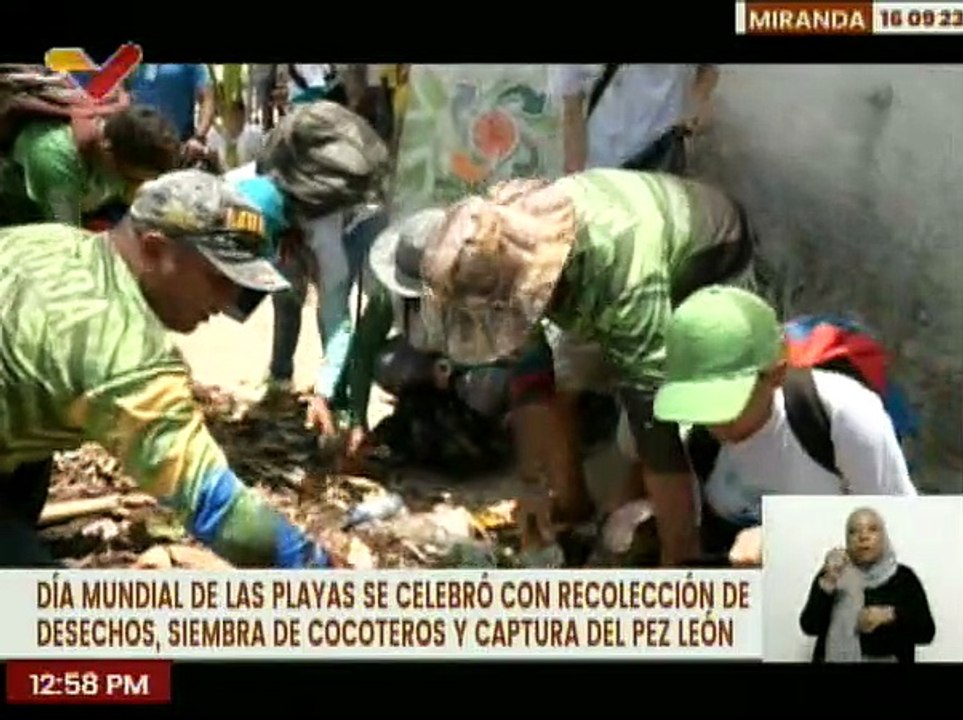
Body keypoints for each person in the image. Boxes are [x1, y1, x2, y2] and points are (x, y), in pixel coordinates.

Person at [416, 168, 758, 566]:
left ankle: (642, 521)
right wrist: (530, 484)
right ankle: (573, 509)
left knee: (647, 430)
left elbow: (655, 422)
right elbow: (532, 372)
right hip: (591, 287)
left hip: (708, 270)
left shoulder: (622, 269)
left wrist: (678, 555)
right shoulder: (503, 244)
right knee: (566, 386)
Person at [0, 169, 333, 569]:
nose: (227, 304)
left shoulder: (54, 242)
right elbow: (217, 508)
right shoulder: (119, 347)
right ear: (155, 249)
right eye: (217, 278)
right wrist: (316, 569)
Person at [651, 286, 919, 567]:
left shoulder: (841, 414)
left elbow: (904, 526)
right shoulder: (679, 429)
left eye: (726, 401)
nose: (713, 418)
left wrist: (787, 536)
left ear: (776, 374)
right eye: (697, 400)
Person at [0, 105, 180, 227]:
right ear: (108, 152)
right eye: (132, 178)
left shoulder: (123, 149)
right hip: (19, 217)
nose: (136, 184)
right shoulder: (56, 159)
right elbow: (66, 240)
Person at [799, 507, 935, 663]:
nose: (863, 537)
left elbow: (926, 633)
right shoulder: (833, 573)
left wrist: (890, 615)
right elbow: (809, 627)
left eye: (872, 529)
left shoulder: (903, 578)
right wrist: (828, 582)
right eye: (853, 531)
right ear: (846, 539)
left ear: (884, 537)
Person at [550, 64, 719, 174]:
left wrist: (699, 100)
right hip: (607, 161)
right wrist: (575, 177)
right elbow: (572, 112)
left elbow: (709, 69)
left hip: (665, 146)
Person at [127, 64, 216, 160]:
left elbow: (207, 99)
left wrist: (199, 137)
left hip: (179, 145)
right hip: (136, 144)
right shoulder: (131, 58)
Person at [206, 99, 265, 172]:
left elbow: (262, 164)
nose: (231, 117)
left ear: (243, 114)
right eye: (225, 112)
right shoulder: (214, 134)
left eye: (236, 112)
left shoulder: (255, 134)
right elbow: (212, 161)